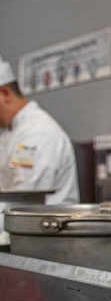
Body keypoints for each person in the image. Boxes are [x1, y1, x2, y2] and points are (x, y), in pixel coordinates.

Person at [0, 53, 80, 207]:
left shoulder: (38, 133)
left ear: (5, 94)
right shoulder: (9, 135)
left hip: (44, 229)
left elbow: (23, 203)